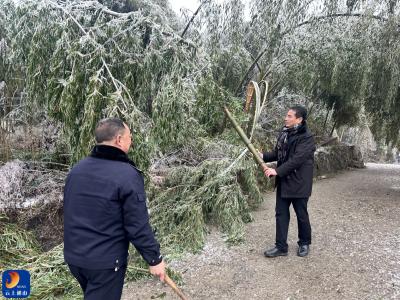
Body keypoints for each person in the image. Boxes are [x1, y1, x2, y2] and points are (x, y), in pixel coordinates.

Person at [63, 118, 165, 300]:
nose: (131, 141)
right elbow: (137, 224)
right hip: (104, 264)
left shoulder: (77, 170)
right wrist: (154, 259)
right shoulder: (127, 175)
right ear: (119, 140)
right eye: (129, 137)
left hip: (75, 260)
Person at [260, 105, 316, 258]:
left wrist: (276, 171)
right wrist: (263, 156)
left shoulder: (307, 138)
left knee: (301, 214)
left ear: (299, 119)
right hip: (285, 182)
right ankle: (281, 246)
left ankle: (304, 243)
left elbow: (296, 160)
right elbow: (278, 153)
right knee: (281, 214)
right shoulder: (285, 133)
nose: (286, 118)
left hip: (299, 182)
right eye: (287, 115)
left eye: (290, 116)